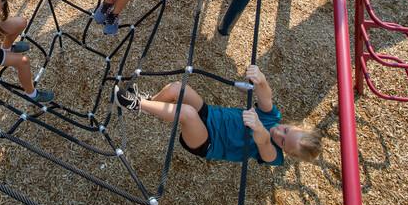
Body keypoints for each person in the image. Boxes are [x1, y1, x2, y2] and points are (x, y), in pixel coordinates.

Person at [114, 66, 322, 165]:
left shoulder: (274, 157)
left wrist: (260, 130)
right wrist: (261, 80)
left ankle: (135, 104)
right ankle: (149, 102)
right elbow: (266, 98)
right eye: (286, 130)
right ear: (293, 125)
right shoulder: (273, 117)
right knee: (177, 88)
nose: (279, 133)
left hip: (208, 141)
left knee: (186, 112)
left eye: (283, 141)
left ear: (287, 152)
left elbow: (265, 144)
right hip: (211, 115)